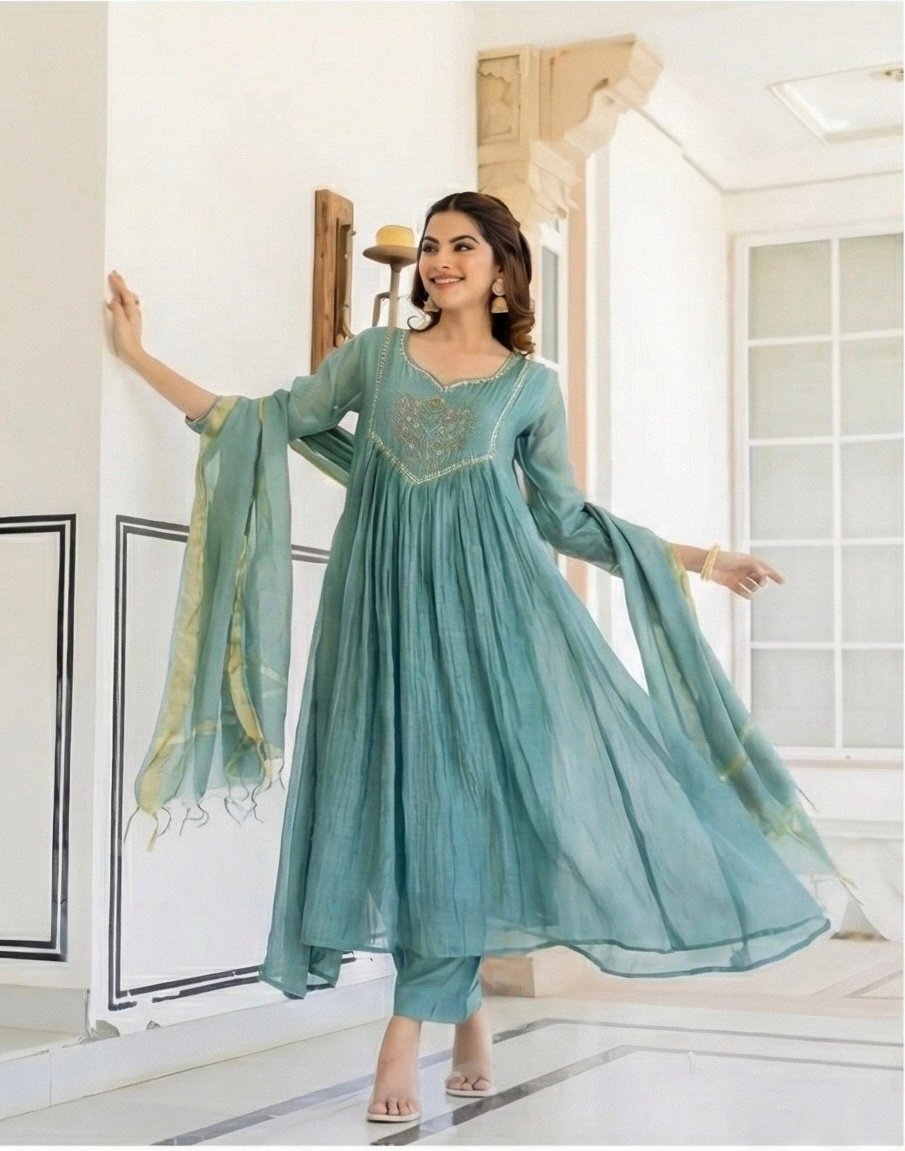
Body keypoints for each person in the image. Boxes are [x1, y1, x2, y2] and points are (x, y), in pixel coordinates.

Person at [106, 191, 844, 1125]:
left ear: (501, 267)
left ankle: (404, 1030)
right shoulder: (375, 357)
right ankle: (469, 1012)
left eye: (462, 245)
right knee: (402, 811)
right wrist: (138, 357)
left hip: (496, 627)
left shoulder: (529, 387)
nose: (439, 260)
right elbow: (263, 421)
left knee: (460, 812)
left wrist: (700, 557)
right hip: (377, 620)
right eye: (429, 246)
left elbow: (565, 518)